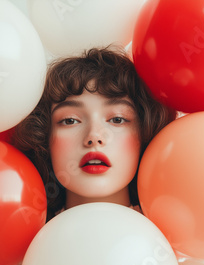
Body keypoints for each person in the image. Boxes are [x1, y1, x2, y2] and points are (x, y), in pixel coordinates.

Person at [13, 46, 177, 222]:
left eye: (117, 119)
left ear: (144, 134)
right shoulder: (23, 243)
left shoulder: (175, 242)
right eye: (70, 120)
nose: (94, 137)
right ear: (44, 138)